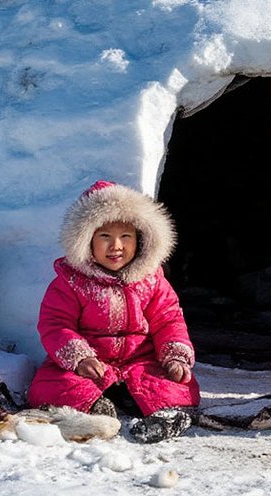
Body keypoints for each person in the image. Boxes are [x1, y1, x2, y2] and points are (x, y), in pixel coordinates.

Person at [26, 180, 201, 443]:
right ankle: (96, 408)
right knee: (48, 386)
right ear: (86, 241)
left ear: (140, 239)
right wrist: (80, 358)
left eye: (125, 236)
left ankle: (168, 416)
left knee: (177, 386)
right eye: (105, 236)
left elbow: (168, 320)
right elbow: (56, 323)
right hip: (92, 365)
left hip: (141, 362)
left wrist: (174, 357)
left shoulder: (152, 280)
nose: (116, 246)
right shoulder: (71, 282)